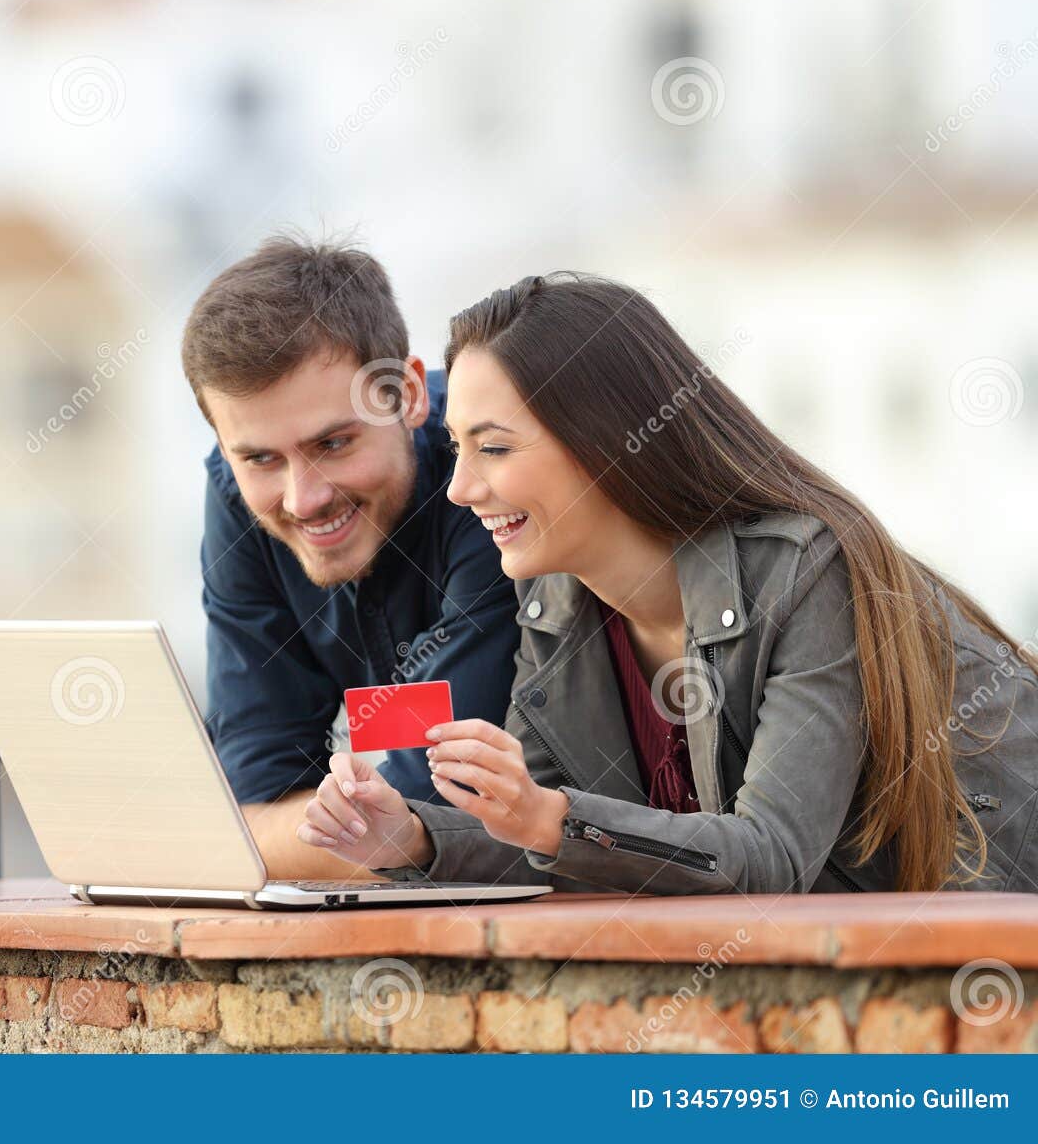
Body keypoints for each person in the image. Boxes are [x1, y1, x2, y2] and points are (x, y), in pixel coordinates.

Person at [297, 271, 1038, 893]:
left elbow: (771, 856)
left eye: (493, 447)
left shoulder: (806, 572)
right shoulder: (556, 606)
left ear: (606, 442)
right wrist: (412, 836)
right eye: (458, 448)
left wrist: (552, 816)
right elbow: (542, 839)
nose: (461, 488)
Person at [184, 236, 522, 879]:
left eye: (334, 443)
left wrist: (267, 839)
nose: (302, 498)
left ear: (409, 394)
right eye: (258, 458)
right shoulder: (236, 495)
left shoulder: (491, 471)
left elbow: (427, 812)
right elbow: (254, 800)